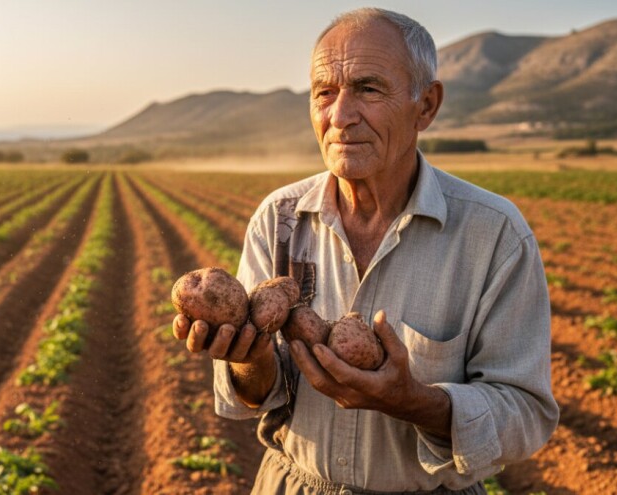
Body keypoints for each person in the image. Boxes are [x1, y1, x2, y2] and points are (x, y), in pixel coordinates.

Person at [172, 7, 559, 495]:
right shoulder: (279, 218)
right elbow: (258, 394)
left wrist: (414, 401)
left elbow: (526, 415)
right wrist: (246, 357)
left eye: (368, 88)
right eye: (324, 94)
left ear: (427, 105)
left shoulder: (494, 234)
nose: (340, 116)